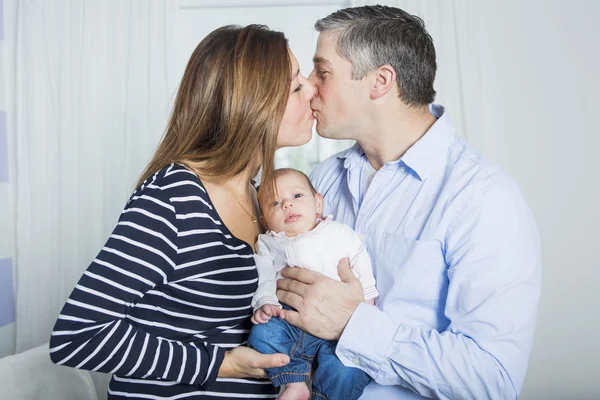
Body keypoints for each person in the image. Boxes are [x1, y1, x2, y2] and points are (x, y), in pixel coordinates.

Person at [275, 5, 542, 399]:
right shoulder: (319, 183)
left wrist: (354, 324)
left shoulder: (483, 199)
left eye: (323, 72)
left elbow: (492, 381)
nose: (310, 87)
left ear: (381, 81)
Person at [49, 24, 318, 399]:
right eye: (295, 86)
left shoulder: (260, 198)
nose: (312, 90)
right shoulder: (173, 198)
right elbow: (77, 335)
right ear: (251, 103)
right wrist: (220, 364)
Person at [247, 168, 377, 400]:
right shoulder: (268, 243)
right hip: (288, 320)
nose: (287, 205)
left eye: (297, 196)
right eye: (275, 203)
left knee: (347, 370)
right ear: (265, 219)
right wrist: (266, 302)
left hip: (340, 324)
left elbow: (361, 267)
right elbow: (264, 275)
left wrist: (364, 310)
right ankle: (294, 383)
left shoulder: (339, 233)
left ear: (318, 203)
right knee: (261, 334)